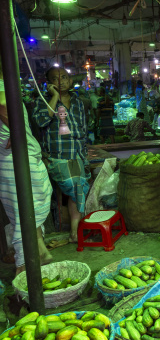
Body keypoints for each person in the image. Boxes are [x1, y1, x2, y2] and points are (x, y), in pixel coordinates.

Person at [0, 65, 53, 275]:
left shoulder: (5, 83)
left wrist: (15, 130)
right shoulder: (3, 84)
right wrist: (15, 130)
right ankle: (26, 269)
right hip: (15, 158)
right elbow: (3, 104)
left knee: (25, 211)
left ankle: (36, 256)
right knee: (24, 212)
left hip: (17, 157)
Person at [33, 67, 90, 243]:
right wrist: (55, 97)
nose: (61, 81)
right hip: (58, 155)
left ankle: (74, 232)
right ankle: (68, 231)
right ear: (49, 83)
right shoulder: (42, 101)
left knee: (78, 190)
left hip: (77, 153)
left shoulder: (79, 102)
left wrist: (85, 153)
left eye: (64, 77)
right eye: (56, 79)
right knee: (73, 186)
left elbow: (83, 129)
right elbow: (41, 121)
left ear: (70, 80)